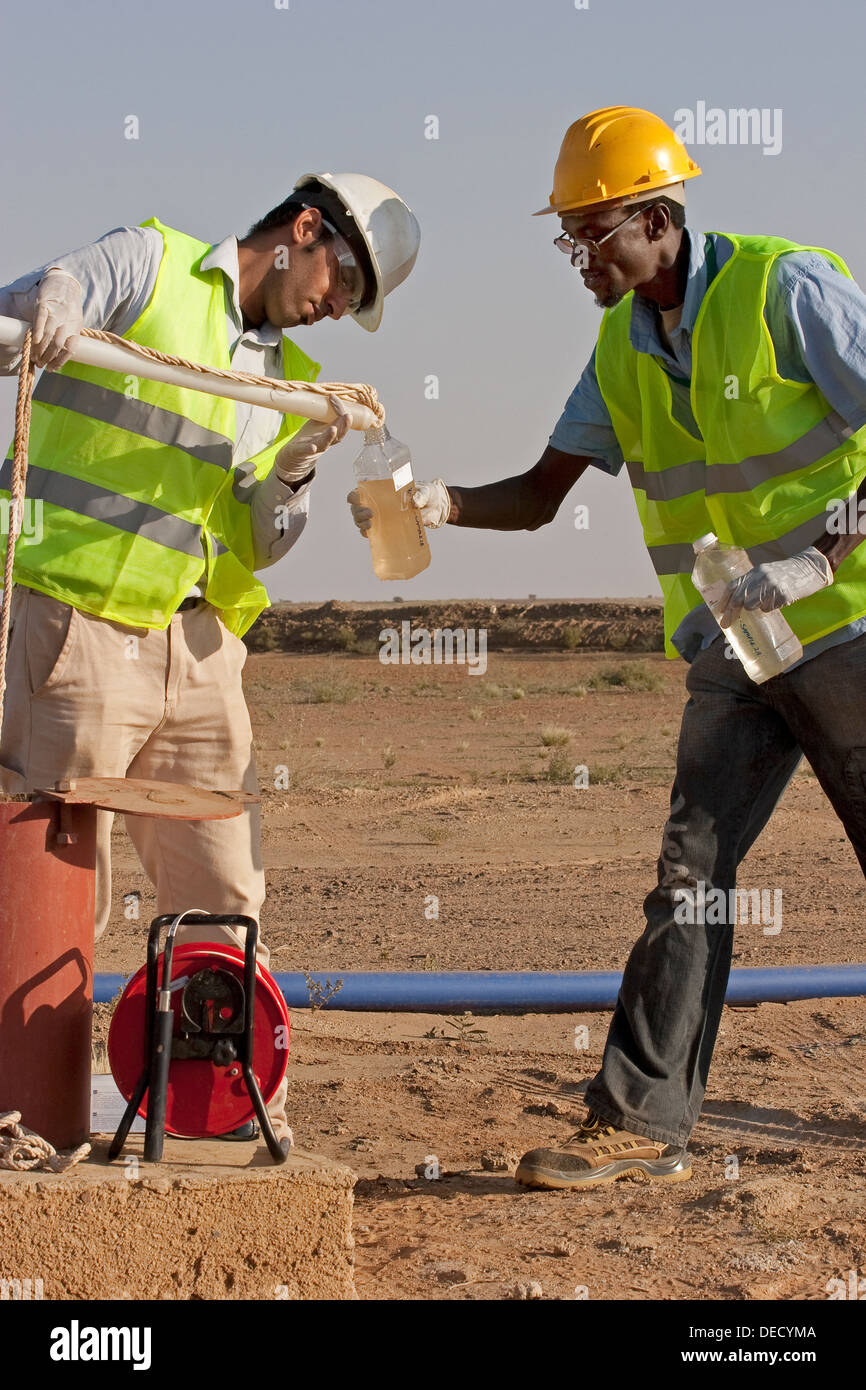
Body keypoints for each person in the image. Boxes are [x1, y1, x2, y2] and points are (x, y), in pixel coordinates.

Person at [349, 105, 866, 1189]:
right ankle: (637, 1125)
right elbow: (541, 497)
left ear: (657, 219)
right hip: (737, 645)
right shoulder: (619, 345)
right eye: (568, 234)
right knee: (690, 877)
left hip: (846, 622)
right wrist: (436, 503)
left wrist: (824, 553)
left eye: (592, 231)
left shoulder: (785, 290)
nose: (576, 255)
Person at [0, 171, 420, 1145]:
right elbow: (37, 302)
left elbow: (258, 535)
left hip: (194, 645)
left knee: (223, 894)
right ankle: (29, 1115)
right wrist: (57, 306)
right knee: (54, 889)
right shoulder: (151, 265)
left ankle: (202, 1102)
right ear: (303, 228)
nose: (332, 306)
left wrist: (295, 463)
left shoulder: (279, 384)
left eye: (351, 305)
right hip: (75, 624)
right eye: (338, 281)